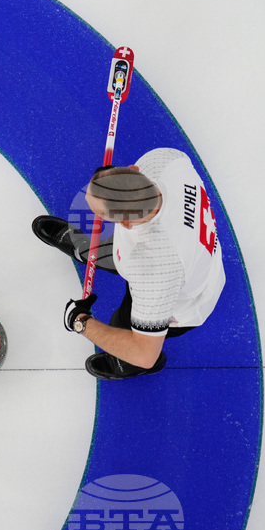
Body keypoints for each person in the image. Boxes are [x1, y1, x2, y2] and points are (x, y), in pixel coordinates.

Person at [32, 147, 225, 379]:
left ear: (124, 224)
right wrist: (108, 179)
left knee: (122, 325)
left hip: (176, 300)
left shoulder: (151, 269)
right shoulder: (165, 160)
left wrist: (81, 322)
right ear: (134, 170)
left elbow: (145, 352)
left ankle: (125, 364)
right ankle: (84, 250)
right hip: (180, 255)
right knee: (110, 251)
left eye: (99, 214)